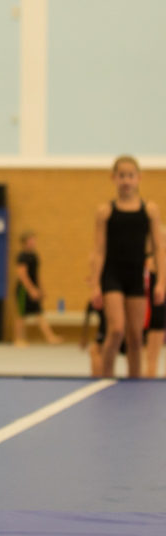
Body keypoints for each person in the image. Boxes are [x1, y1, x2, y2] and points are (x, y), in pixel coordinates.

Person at [89, 155, 165, 379]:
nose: (126, 180)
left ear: (139, 178)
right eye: (121, 176)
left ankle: (135, 383)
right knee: (116, 329)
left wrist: (161, 282)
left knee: (136, 337)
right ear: (113, 178)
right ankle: (105, 378)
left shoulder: (149, 210)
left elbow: (159, 248)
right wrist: (95, 285)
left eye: (130, 176)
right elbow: (99, 251)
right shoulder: (105, 211)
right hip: (111, 275)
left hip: (135, 276)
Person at [12, 231, 61, 347]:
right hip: (23, 289)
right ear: (25, 242)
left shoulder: (34, 256)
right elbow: (22, 275)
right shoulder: (22, 256)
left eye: (34, 239)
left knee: (39, 313)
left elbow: (36, 275)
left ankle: (50, 337)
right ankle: (17, 339)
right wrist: (31, 289)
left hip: (34, 287)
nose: (34, 242)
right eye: (31, 240)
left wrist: (41, 289)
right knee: (21, 314)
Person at [144, 227, 165, 377]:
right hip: (148, 313)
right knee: (149, 358)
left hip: (157, 312)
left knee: (151, 358)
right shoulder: (150, 261)